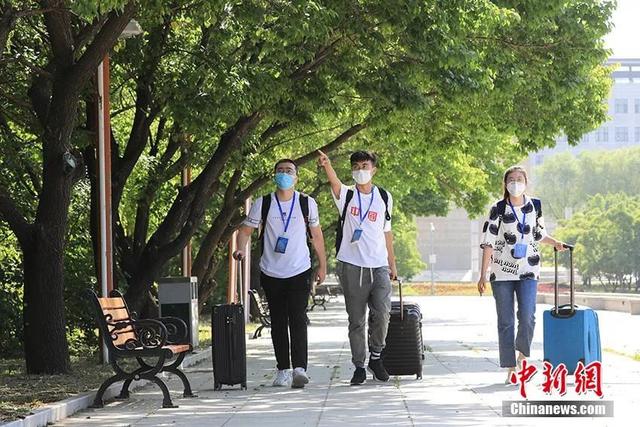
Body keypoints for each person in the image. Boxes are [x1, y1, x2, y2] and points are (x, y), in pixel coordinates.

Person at [234, 159, 327, 389]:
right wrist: (240, 249)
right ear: (275, 175)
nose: (284, 174)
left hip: (299, 269)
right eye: (280, 170)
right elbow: (245, 230)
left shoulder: (306, 203)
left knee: (298, 318)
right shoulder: (263, 203)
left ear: (296, 177)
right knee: (278, 321)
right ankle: (283, 369)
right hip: (271, 271)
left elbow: (316, 235)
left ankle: (300, 369)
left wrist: (322, 265)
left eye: (289, 171)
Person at [477, 165, 567, 383]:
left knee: (528, 316)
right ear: (505, 183)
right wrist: (483, 274)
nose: (515, 183)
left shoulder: (535, 205)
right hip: (502, 273)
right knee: (505, 321)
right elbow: (488, 242)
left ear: (526, 183)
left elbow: (539, 234)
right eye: (511, 179)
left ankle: (522, 355)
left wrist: (555, 242)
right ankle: (510, 367)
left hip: (528, 270)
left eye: (519, 179)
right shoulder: (498, 208)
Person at [317, 149, 397, 385]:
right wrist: (327, 164)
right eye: (356, 167)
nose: (360, 171)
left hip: (379, 265)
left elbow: (387, 232)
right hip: (351, 265)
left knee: (382, 313)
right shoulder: (347, 195)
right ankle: (359, 366)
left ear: (374, 170)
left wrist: (392, 263)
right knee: (356, 320)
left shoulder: (384, 197)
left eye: (365, 166)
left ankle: (376, 357)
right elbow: (334, 182)